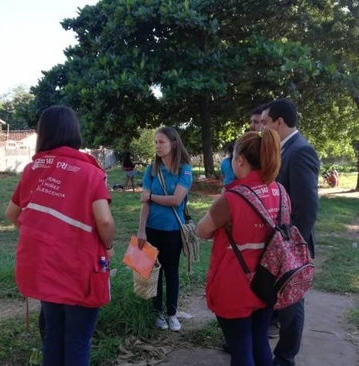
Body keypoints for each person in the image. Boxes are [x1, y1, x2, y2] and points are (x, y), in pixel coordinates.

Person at [5, 105, 115, 366]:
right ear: (74, 132)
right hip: (79, 268)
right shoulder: (90, 172)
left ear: (43, 134)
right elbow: (105, 219)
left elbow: (12, 213)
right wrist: (108, 246)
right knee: (77, 341)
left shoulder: (34, 169)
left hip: (45, 266)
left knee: (53, 336)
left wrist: (40, 235)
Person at [197, 129, 286, 366]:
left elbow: (202, 231)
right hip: (267, 282)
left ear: (240, 160)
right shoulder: (280, 191)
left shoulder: (232, 198)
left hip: (234, 285)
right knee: (260, 342)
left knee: (241, 350)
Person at [261, 98, 319, 366]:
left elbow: (307, 206)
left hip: (290, 245)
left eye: (265, 123)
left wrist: (291, 246)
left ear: (279, 122)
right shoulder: (283, 149)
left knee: (292, 305)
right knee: (277, 300)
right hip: (278, 242)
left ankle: (285, 358)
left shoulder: (300, 151)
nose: (261, 128)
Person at [137, 126, 192, 332]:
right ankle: (157, 313)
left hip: (173, 230)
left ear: (174, 144)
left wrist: (150, 197)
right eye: (156, 142)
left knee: (171, 271)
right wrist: (141, 229)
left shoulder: (184, 169)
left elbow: (176, 200)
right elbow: (144, 205)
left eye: (162, 142)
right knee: (154, 272)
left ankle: (172, 313)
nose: (158, 146)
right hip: (151, 229)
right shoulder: (151, 169)